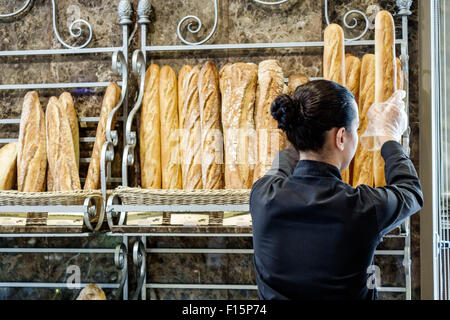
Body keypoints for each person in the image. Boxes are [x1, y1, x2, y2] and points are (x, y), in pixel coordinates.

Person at [249, 80, 423, 300]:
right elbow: (410, 190)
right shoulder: (362, 207)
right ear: (341, 137)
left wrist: (304, 130)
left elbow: (283, 162)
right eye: (356, 128)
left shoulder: (262, 195)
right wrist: (389, 135)